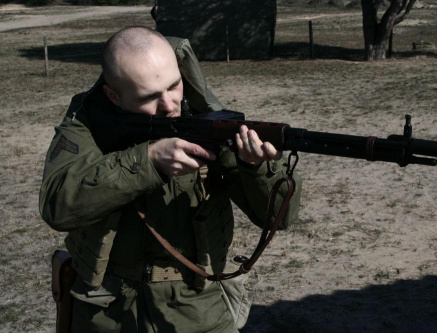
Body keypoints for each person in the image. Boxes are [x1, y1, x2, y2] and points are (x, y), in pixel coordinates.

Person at [39, 26, 301, 332]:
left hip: (199, 308)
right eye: (149, 97)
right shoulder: (86, 123)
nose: (169, 105)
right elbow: (57, 205)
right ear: (114, 96)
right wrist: (148, 161)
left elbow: (280, 218)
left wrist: (254, 167)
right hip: (107, 312)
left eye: (174, 86)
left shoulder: (207, 119)